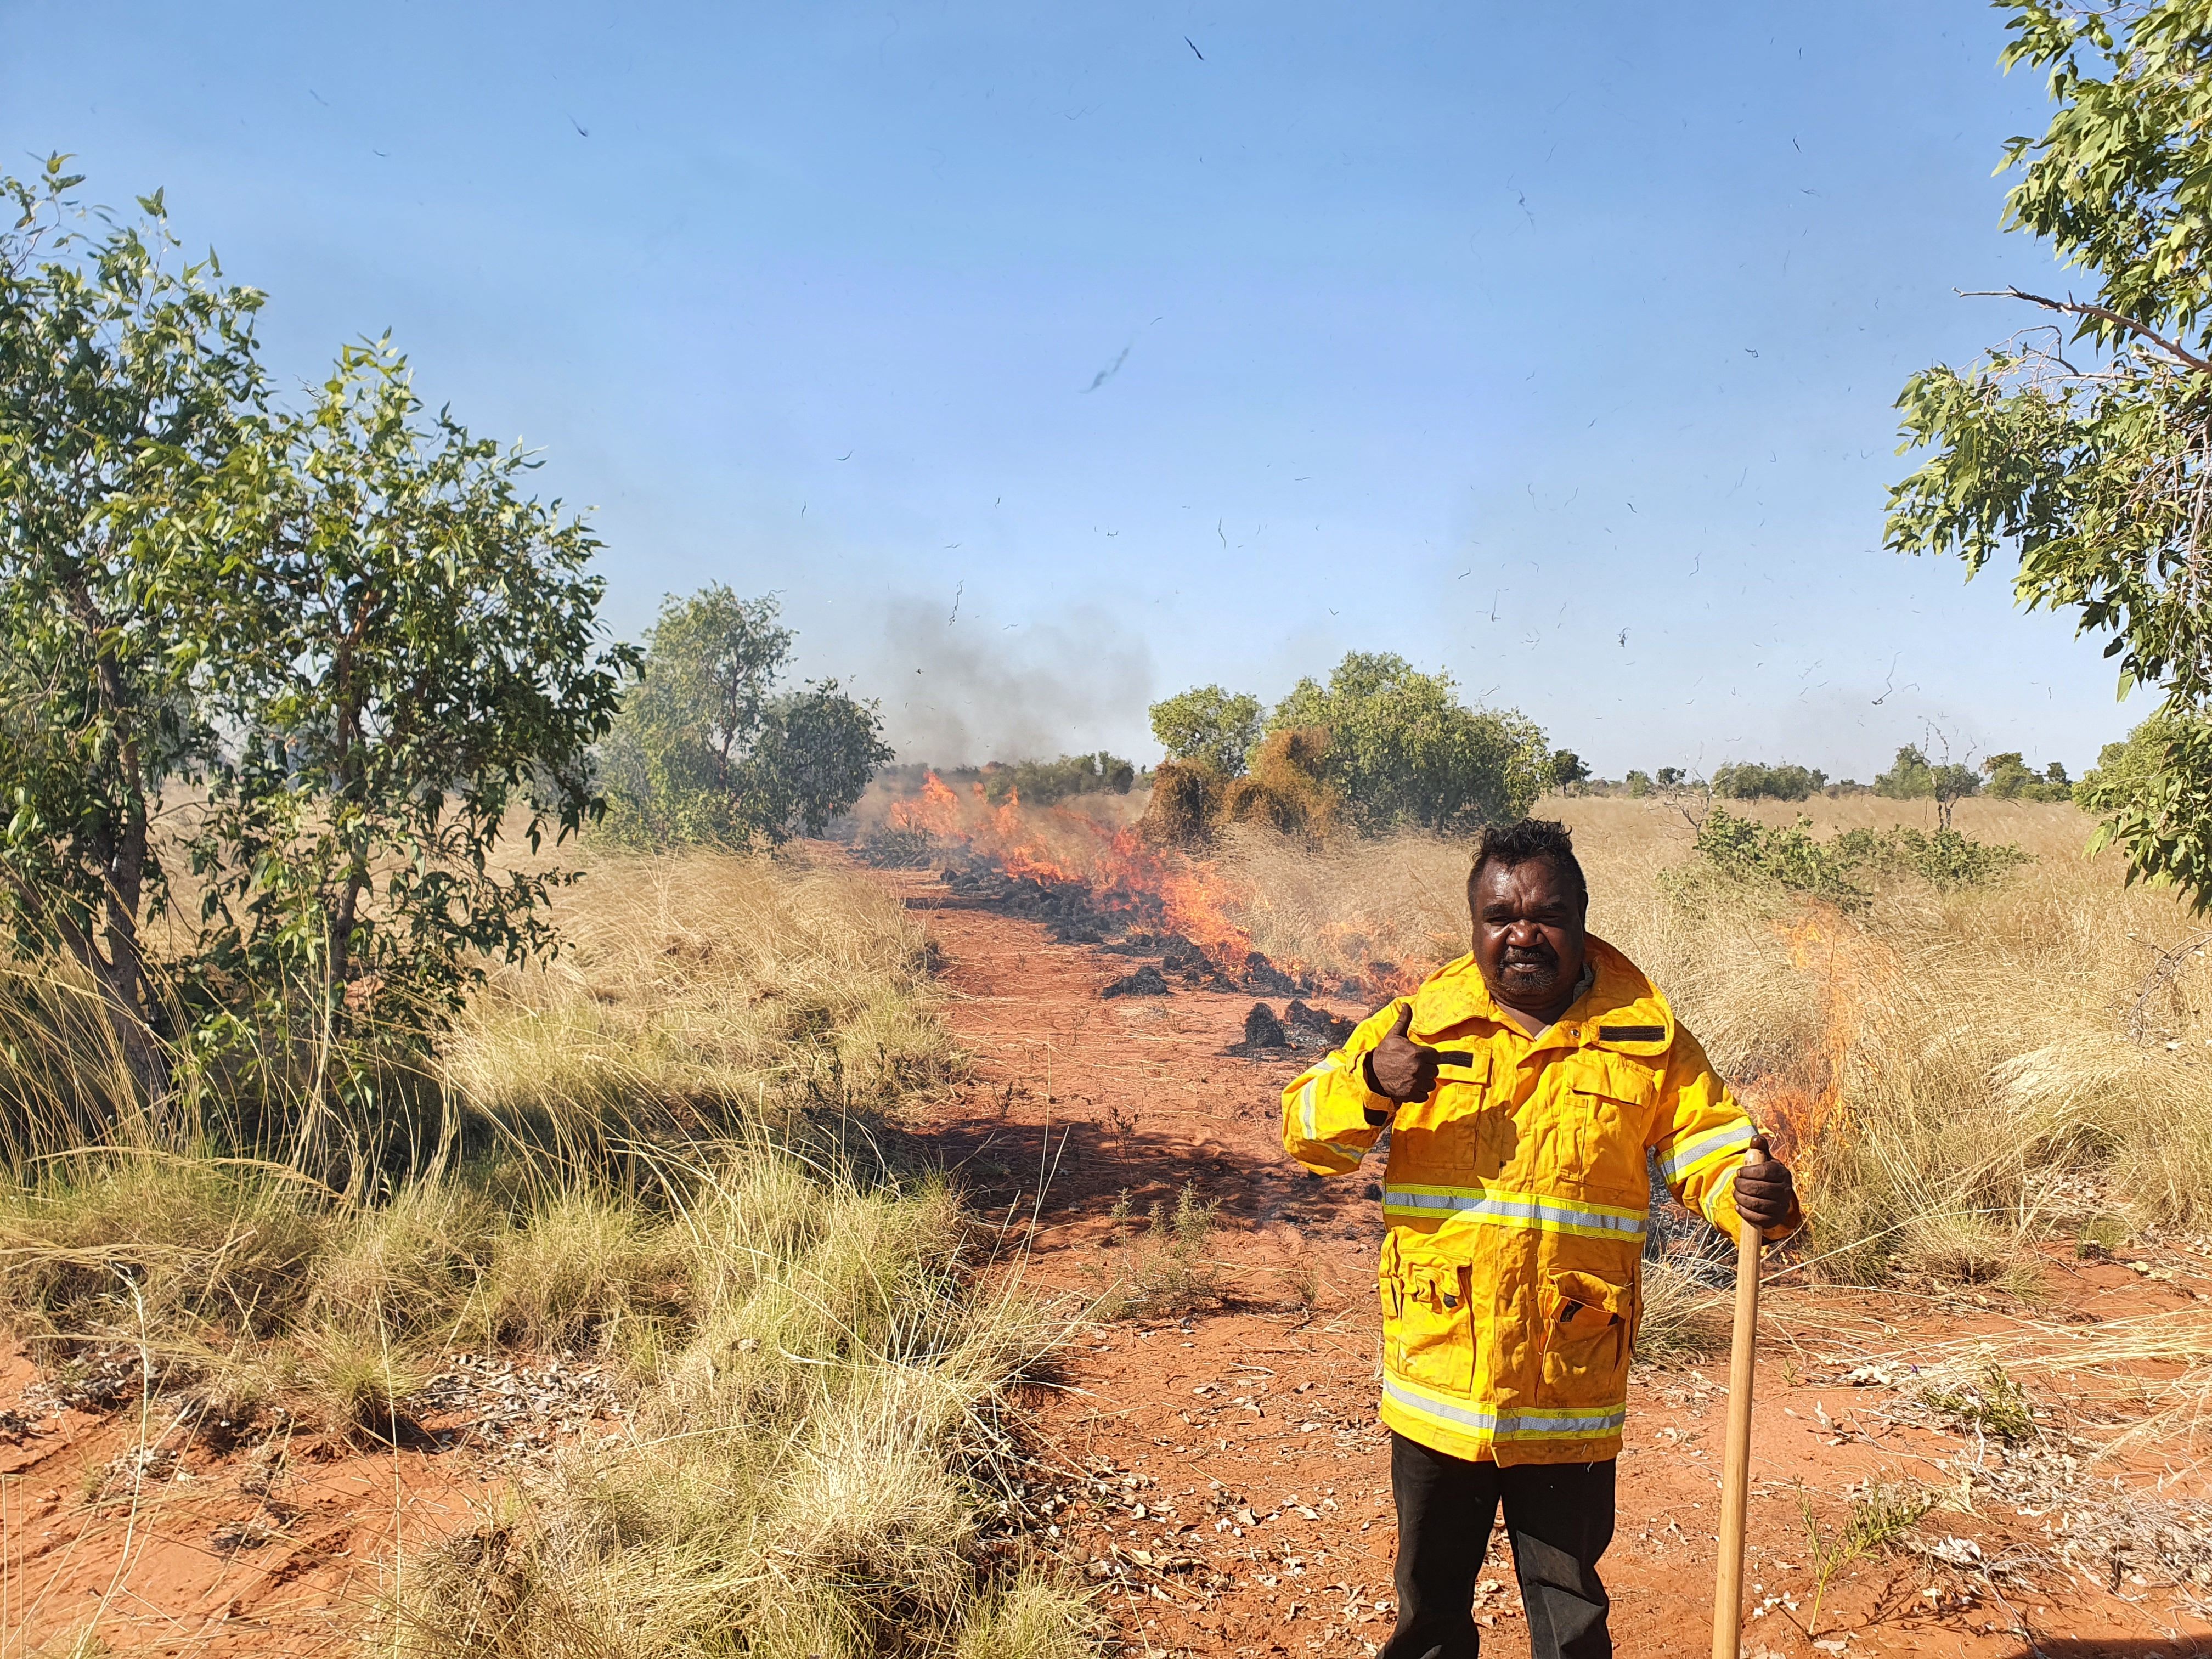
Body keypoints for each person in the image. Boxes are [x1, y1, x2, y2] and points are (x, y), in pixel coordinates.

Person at [1281, 818, 1801, 1659]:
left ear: (1581, 919)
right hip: (1440, 1381)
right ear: (1476, 925)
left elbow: (1710, 1149)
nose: (1522, 935)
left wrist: (1756, 1196)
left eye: (1547, 915)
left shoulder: (1645, 1037)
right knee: (1429, 1611)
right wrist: (1371, 1085)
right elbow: (1308, 1135)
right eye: (1500, 917)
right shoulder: (1422, 1023)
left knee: (1571, 1618)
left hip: (1569, 1385)